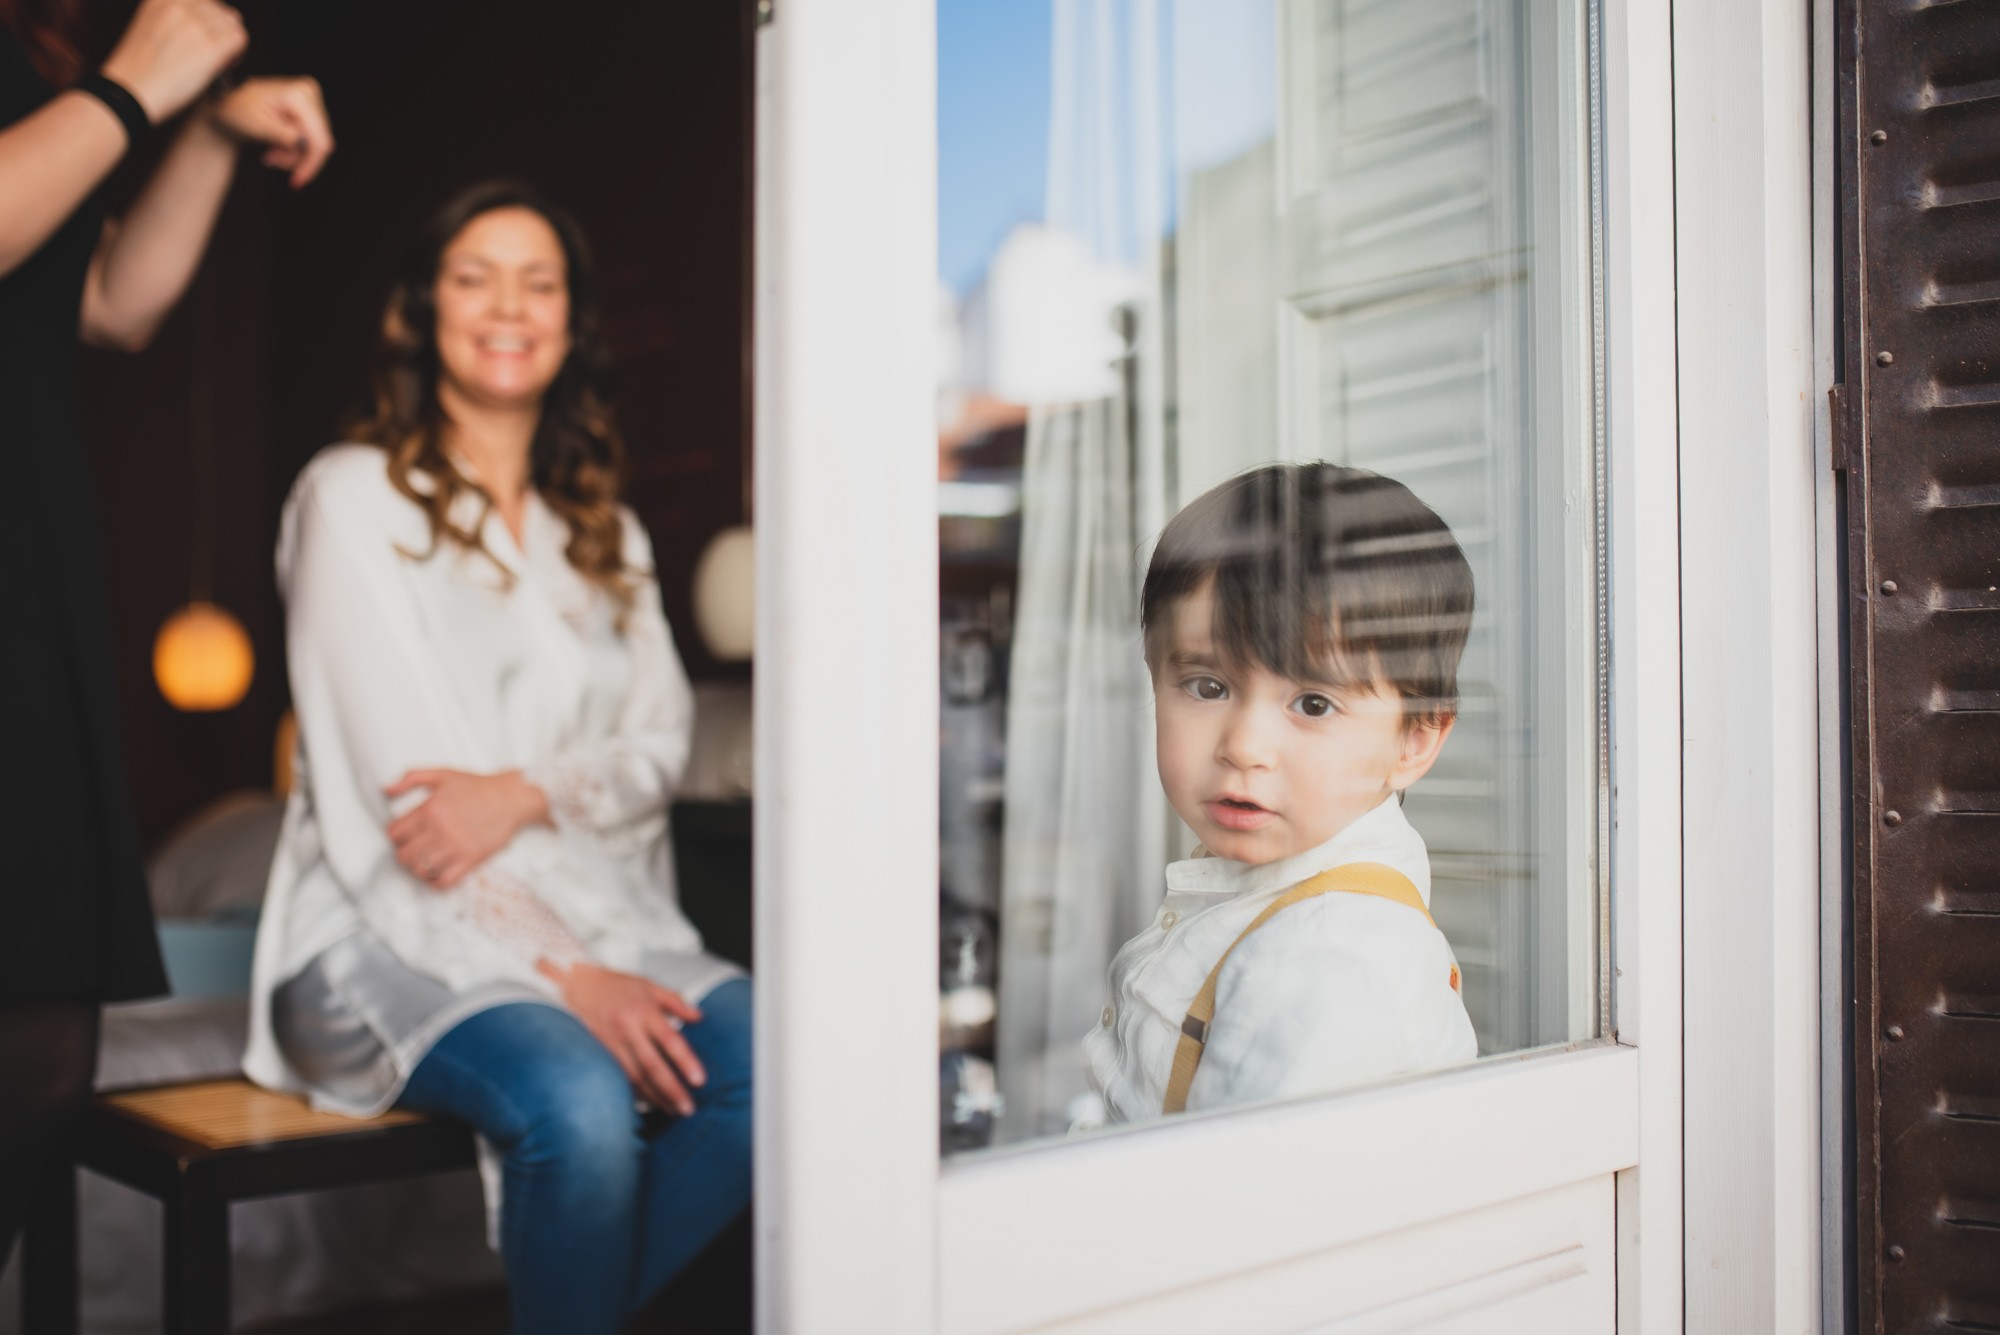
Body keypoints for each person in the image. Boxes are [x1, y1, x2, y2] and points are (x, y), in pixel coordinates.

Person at [241, 180, 751, 1335]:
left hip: (609, 916)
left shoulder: (603, 530)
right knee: (574, 1093)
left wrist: (522, 791)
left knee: (774, 1069)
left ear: (573, 322)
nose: (507, 305)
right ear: (423, 313)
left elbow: (661, 746)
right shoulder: (348, 496)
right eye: (474, 277)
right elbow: (411, 813)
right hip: (378, 930)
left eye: (539, 280)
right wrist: (571, 979)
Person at [0, 0, 333, 1270]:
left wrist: (204, 130)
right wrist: (140, 84)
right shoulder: (98, 70)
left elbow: (103, 300)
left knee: (38, 1040)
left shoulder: (41, 47)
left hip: (28, 571)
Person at [1084, 462, 1479, 1121]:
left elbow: (1243, 1206)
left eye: (1313, 702)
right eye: (1208, 686)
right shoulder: (1267, 891)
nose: (1243, 745)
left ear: (1414, 740)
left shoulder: (1333, 959)